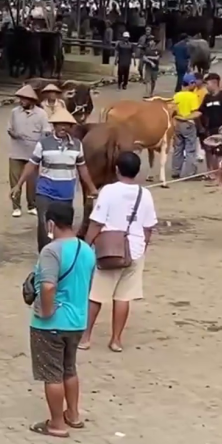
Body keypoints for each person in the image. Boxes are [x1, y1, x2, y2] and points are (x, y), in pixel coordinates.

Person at [28, 200, 95, 439]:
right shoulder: (86, 250)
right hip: (77, 321)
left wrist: (45, 312)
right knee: (69, 369)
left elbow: (47, 286)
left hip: (52, 323)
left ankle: (56, 423)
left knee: (52, 374)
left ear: (51, 223)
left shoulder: (51, 251)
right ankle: (73, 414)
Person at [82, 151, 157, 352]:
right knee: (124, 297)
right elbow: (149, 227)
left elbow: (96, 222)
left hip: (110, 250)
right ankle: (116, 340)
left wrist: (86, 245)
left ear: (116, 169)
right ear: (138, 171)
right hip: (135, 250)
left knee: (96, 295)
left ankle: (85, 337)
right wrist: (142, 248)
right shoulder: (145, 193)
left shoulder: (108, 191)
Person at [10, 109, 97, 252]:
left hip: (66, 194)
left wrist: (92, 188)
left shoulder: (77, 145)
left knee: (64, 226)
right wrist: (18, 185)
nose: (63, 127)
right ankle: (44, 253)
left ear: (70, 127)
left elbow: (82, 168)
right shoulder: (43, 144)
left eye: (66, 125)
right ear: (54, 126)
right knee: (44, 225)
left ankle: (61, 253)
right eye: (59, 124)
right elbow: (32, 164)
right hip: (45, 192)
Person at [7, 85, 50, 218]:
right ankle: (16, 206)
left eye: (24, 99)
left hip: (33, 152)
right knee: (15, 179)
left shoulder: (41, 114)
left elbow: (46, 131)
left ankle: (32, 205)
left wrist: (41, 143)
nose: (21, 101)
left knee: (32, 181)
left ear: (31, 100)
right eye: (20, 99)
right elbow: (9, 128)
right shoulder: (14, 112)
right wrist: (13, 134)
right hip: (16, 150)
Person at [198, 72, 222, 185]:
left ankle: (221, 178)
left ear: (215, 83)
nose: (206, 86)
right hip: (210, 129)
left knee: (220, 154)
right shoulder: (207, 97)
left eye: (208, 83)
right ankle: (212, 174)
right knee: (210, 152)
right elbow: (201, 111)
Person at [171, 73, 203, 180]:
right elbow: (195, 112)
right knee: (190, 149)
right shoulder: (192, 96)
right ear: (191, 83)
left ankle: (176, 171)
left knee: (178, 148)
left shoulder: (177, 95)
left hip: (176, 124)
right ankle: (190, 172)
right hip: (188, 123)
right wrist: (199, 126)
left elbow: (173, 110)